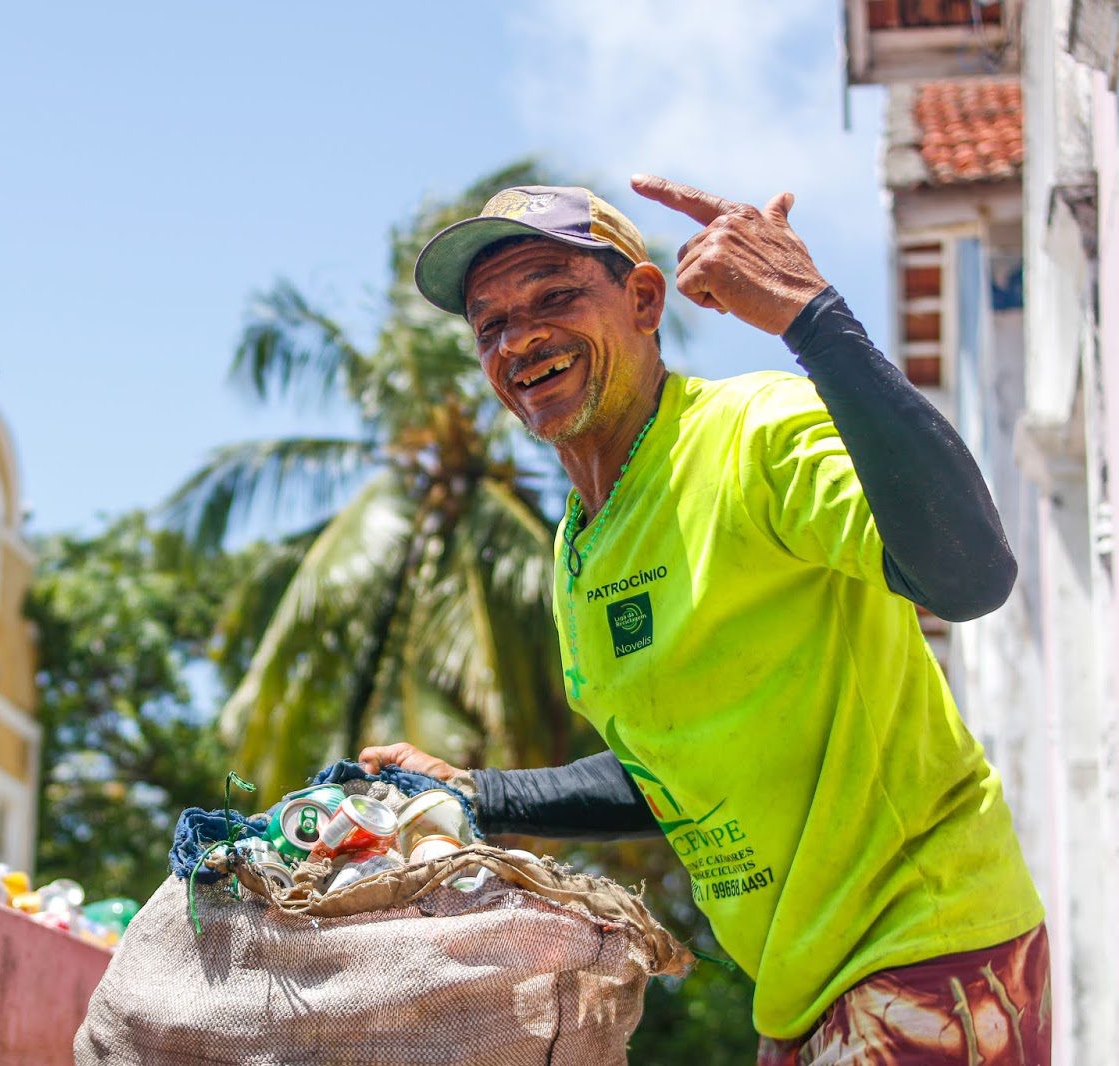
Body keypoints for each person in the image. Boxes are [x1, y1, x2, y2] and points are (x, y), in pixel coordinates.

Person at [358, 179, 1049, 1064]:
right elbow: (671, 770)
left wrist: (813, 317)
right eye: (489, 325)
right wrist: (476, 795)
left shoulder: (755, 434)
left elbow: (969, 573)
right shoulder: (580, 550)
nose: (519, 337)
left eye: (556, 295)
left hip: (926, 949)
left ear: (644, 300)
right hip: (798, 999)